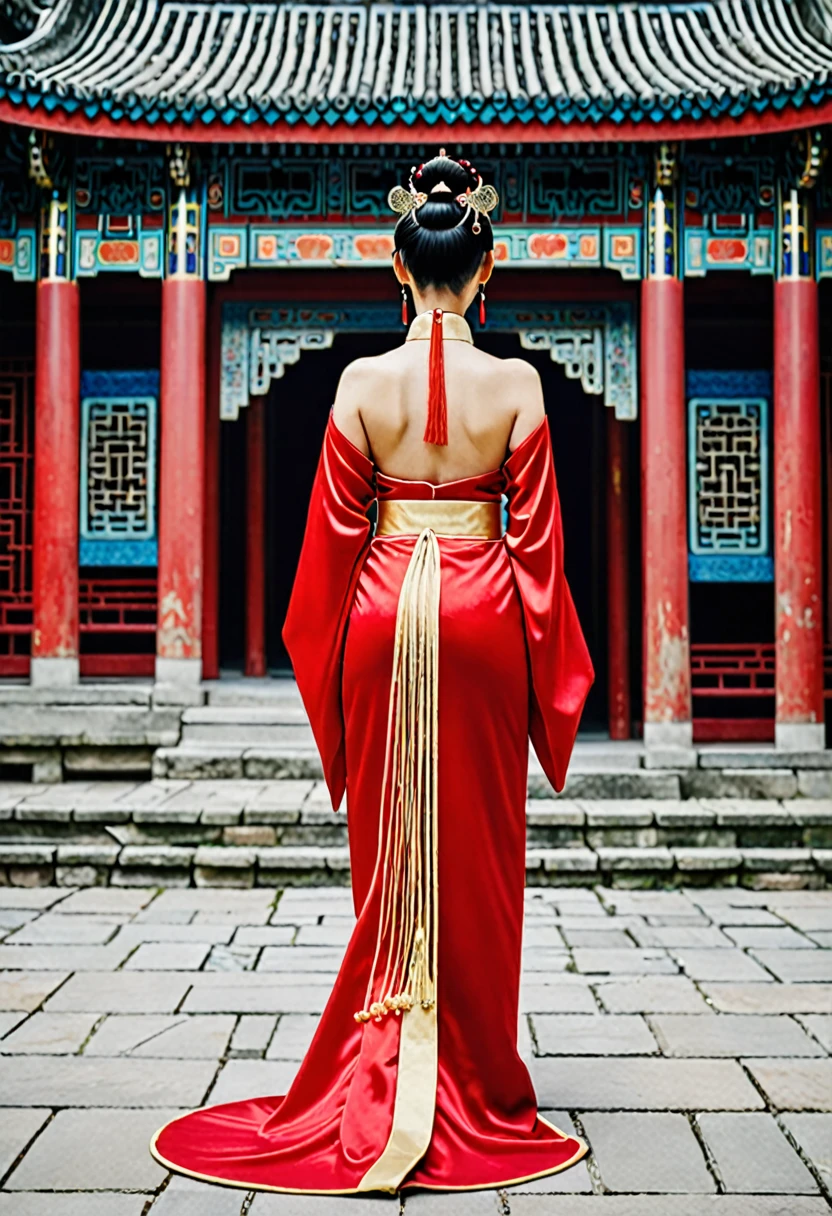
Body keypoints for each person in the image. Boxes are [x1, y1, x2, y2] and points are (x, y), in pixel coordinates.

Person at [151, 151, 594, 1196]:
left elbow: (327, 549)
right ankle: (476, 1077)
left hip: (386, 607)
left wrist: (338, 656)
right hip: (484, 610)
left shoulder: (357, 384)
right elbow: (539, 552)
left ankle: (385, 1051)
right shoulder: (520, 386)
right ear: (485, 275)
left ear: (397, 270)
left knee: (392, 846)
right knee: (479, 850)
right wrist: (551, 682)